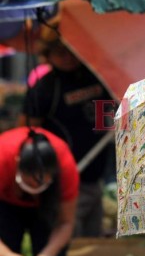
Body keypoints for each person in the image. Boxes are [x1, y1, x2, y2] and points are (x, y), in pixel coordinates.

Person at [20, 40, 114, 237]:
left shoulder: (95, 77)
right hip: (66, 178)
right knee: (70, 240)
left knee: (93, 241)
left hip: (94, 175)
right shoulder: (44, 88)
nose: (67, 57)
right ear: (48, 55)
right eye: (59, 52)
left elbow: (111, 107)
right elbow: (25, 131)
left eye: (71, 51)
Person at [0, 127, 79, 256]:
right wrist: (5, 254)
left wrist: (48, 254)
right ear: (17, 164)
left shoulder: (66, 167)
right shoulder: (2, 157)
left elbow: (66, 222)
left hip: (47, 209)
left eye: (39, 185)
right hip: (5, 205)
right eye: (28, 184)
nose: (32, 191)